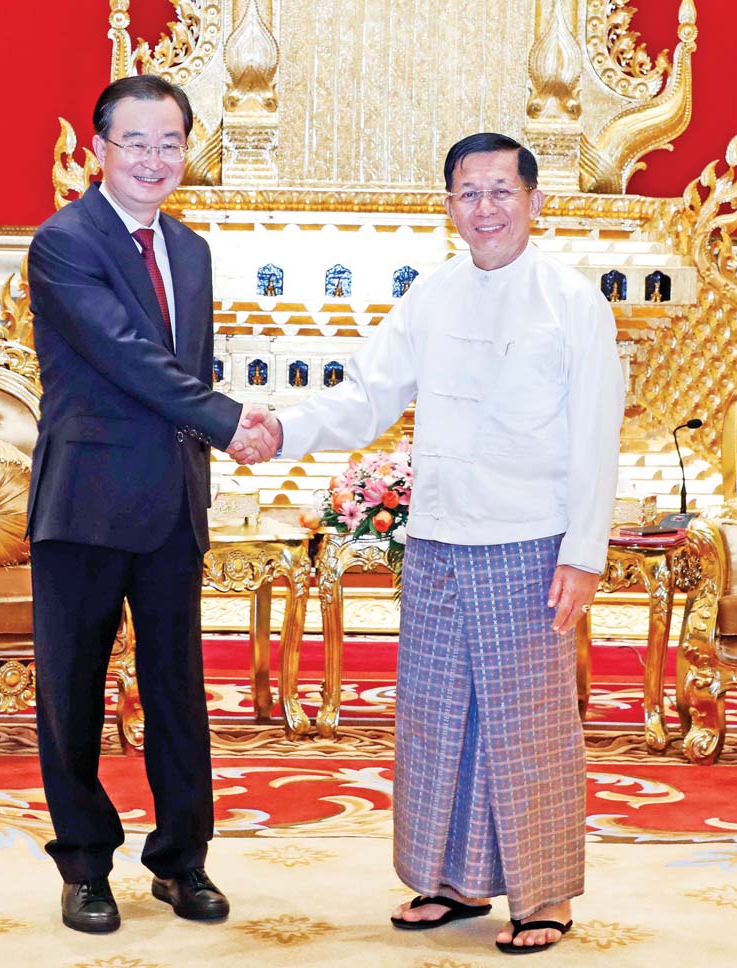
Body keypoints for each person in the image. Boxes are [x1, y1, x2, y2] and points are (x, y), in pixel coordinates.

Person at [246, 133, 624, 953]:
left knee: (527, 722)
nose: (485, 209)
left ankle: (546, 895)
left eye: (501, 191)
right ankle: (452, 880)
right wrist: (282, 430)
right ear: (448, 205)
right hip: (440, 538)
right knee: (438, 715)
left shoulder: (572, 301)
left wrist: (584, 553)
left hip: (530, 541)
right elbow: (368, 395)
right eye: (468, 193)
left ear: (535, 201)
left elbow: (598, 437)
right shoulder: (432, 294)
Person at [26, 75, 276, 934]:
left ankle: (182, 861)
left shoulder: (191, 250)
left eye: (170, 143)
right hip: (85, 502)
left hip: (172, 502)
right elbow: (127, 354)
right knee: (72, 692)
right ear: (99, 150)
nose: (154, 159)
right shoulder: (63, 242)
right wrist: (231, 423)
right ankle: (85, 866)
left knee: (178, 691)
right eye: (135, 142)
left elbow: (181, 369)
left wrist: (213, 436)